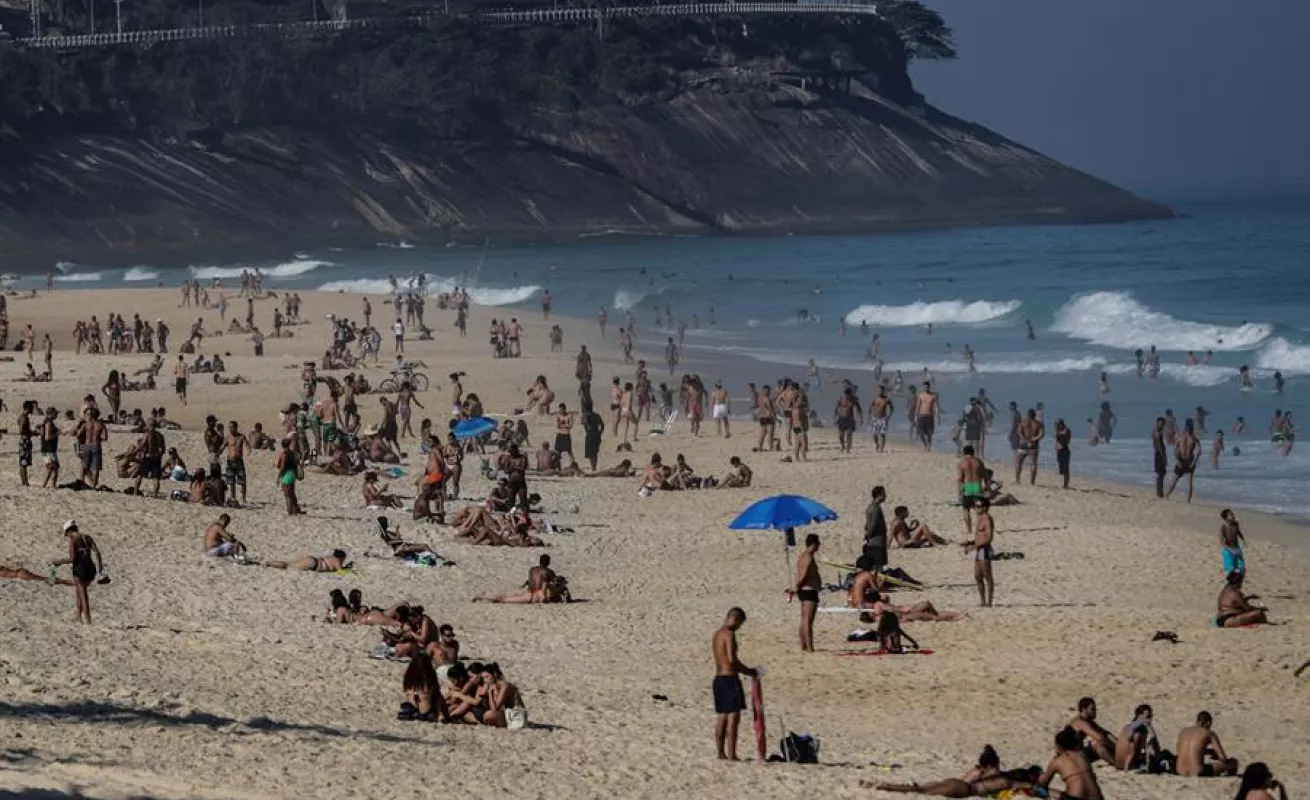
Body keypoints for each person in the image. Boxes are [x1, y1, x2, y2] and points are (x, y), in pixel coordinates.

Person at [870, 745, 1036, 797]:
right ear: (997, 763)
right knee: (920, 790)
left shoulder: (979, 773)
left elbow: (967, 777)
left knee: (921, 788)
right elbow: (1023, 787)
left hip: (957, 783)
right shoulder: (1004, 779)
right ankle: (885, 786)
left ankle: (883, 785)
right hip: (963, 790)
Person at [712, 607, 758, 761]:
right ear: (735, 619)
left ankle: (720, 752)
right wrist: (749, 671)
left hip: (718, 678)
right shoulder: (729, 634)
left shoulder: (717, 634)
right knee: (733, 718)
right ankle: (731, 754)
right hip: (729, 678)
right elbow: (732, 660)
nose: (739, 628)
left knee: (721, 717)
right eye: (740, 624)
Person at [50, 520, 104, 625]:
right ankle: (78, 618)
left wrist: (59, 562)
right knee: (79, 592)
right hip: (91, 569)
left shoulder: (73, 541)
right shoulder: (87, 537)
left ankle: (88, 621)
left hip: (79, 570)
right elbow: (97, 553)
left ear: (69, 531)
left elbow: (72, 559)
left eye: (67, 534)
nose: (68, 536)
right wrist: (100, 570)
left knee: (83, 596)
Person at [1039, 727, 1104, 799]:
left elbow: (1043, 783)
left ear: (1059, 746)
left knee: (1038, 789)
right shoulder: (1082, 754)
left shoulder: (1056, 762)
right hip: (1097, 797)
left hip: (1076, 797)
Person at [785, 534, 822, 652]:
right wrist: (796, 587)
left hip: (805, 590)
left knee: (804, 619)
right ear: (814, 544)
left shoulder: (803, 556)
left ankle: (804, 646)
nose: (819, 546)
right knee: (807, 620)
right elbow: (804, 575)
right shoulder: (808, 557)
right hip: (808, 590)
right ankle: (809, 647)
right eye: (818, 543)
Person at [1176, 711, 1238, 777]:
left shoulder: (1184, 731)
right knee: (1233, 762)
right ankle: (1229, 776)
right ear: (1208, 723)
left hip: (1179, 771)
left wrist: (1206, 751)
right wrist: (1215, 755)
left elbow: (1180, 751)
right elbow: (1223, 757)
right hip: (1199, 773)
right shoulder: (1208, 733)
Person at [961, 497, 994, 607]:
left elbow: (988, 538)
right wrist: (969, 543)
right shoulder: (980, 519)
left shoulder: (987, 519)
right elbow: (980, 537)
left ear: (985, 507)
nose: (976, 509)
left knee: (987, 576)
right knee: (977, 576)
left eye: (978, 506)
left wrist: (973, 546)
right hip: (979, 549)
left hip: (984, 549)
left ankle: (989, 602)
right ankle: (982, 601)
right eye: (975, 506)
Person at [1068, 697, 1117, 765]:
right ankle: (1116, 764)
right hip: (1071, 756)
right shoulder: (1080, 722)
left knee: (1099, 743)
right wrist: (1115, 746)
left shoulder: (1087, 721)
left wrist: (1118, 743)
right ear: (1084, 709)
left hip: (1078, 752)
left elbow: (1105, 733)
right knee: (1097, 744)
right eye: (1092, 709)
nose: (1095, 712)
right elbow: (1099, 738)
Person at [1115, 704, 1163, 772]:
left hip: (1118, 765)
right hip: (1131, 766)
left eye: (1151, 716)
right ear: (1139, 716)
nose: (1150, 718)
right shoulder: (1141, 730)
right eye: (1148, 716)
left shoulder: (1126, 727)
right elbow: (1154, 743)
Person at [1165, 418, 1201, 502]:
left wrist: (1194, 462)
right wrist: (1177, 460)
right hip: (1181, 460)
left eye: (1191, 426)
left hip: (1189, 461)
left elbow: (1199, 451)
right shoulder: (1180, 436)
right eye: (1189, 426)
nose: (1190, 428)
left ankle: (1188, 501)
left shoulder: (1194, 438)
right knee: (1174, 480)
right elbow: (1175, 450)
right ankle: (1166, 496)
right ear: (1186, 426)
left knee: (1189, 484)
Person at [958, 446, 985, 534]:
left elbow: (960, 479)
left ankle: (969, 530)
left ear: (964, 453)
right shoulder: (978, 461)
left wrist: (959, 492)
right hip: (977, 486)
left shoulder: (962, 463)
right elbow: (985, 475)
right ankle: (978, 529)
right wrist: (987, 486)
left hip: (968, 487)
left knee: (966, 510)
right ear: (973, 452)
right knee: (979, 510)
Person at [862, 485, 889, 572]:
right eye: (884, 494)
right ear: (879, 494)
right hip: (877, 542)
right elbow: (872, 526)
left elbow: (867, 525)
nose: (885, 496)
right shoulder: (875, 509)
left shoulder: (871, 507)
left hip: (874, 541)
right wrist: (868, 537)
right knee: (878, 567)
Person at [1015, 408, 1044, 485]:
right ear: (1034, 415)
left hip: (1023, 445)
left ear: (1027, 414)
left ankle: (1017, 480)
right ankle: (1032, 482)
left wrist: (1024, 440)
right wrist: (1033, 439)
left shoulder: (1023, 422)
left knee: (1018, 463)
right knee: (1033, 464)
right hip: (1033, 446)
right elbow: (1041, 435)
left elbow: (1019, 432)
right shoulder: (1039, 424)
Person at [276, 438, 304, 515]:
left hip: (287, 474)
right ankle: (295, 510)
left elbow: (282, 467)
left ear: (282, 445)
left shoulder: (284, 454)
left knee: (287, 494)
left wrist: (278, 477)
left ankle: (289, 511)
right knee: (291, 492)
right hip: (293, 473)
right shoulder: (292, 453)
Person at [262, 549, 349, 571]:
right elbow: (340, 571)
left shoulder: (331, 557)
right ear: (341, 557)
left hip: (313, 560)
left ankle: (270, 563)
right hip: (313, 564)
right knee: (287, 566)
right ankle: (269, 563)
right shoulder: (337, 560)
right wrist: (348, 568)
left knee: (288, 563)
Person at [1220, 509, 1246, 576]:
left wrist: (1243, 540)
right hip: (1229, 548)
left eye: (1233, 514)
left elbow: (1239, 532)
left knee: (1241, 562)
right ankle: (1232, 572)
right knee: (1232, 564)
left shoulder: (1236, 524)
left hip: (1236, 547)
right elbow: (1221, 539)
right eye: (1231, 514)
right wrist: (1226, 547)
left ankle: (1240, 572)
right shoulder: (1224, 527)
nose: (1233, 515)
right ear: (1226, 518)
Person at [1152, 416, 1169, 498]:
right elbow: (1159, 446)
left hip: (1158, 454)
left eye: (1164, 424)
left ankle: (1160, 492)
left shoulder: (1155, 431)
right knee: (1161, 474)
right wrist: (1164, 457)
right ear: (1157, 423)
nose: (1163, 426)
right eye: (1162, 424)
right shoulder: (1157, 433)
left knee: (1161, 473)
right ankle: (1159, 493)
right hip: (1159, 454)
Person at [1054, 418, 1072, 489]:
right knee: (1061, 468)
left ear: (1061, 424)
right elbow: (1057, 440)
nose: (1056, 426)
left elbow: (1066, 442)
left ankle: (1066, 485)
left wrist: (1061, 445)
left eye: (1057, 424)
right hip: (1059, 451)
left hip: (1065, 450)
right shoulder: (1058, 430)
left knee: (1066, 468)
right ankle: (1065, 484)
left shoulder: (1067, 431)